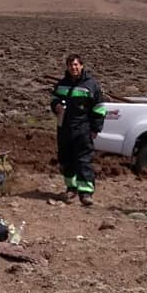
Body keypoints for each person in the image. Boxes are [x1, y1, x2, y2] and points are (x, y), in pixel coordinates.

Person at [50, 54, 107, 206]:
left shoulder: (91, 84)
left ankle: (86, 193)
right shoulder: (62, 84)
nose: (73, 68)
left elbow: (99, 108)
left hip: (83, 128)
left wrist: (95, 128)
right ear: (67, 67)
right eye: (70, 65)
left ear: (81, 66)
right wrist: (56, 105)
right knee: (66, 159)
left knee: (83, 161)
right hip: (64, 129)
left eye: (76, 65)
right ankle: (71, 188)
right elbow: (53, 99)